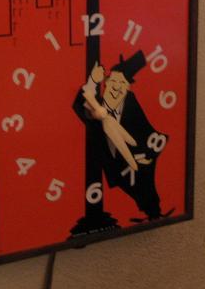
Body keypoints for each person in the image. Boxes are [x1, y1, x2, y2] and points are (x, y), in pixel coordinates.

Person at [72, 50, 171, 221]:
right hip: (112, 166)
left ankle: (153, 212)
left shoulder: (131, 103)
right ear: (105, 83)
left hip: (135, 160)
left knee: (145, 183)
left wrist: (146, 154)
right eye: (113, 81)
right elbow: (79, 104)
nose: (117, 87)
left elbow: (147, 131)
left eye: (122, 83)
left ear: (128, 88)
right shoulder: (95, 106)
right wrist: (92, 81)